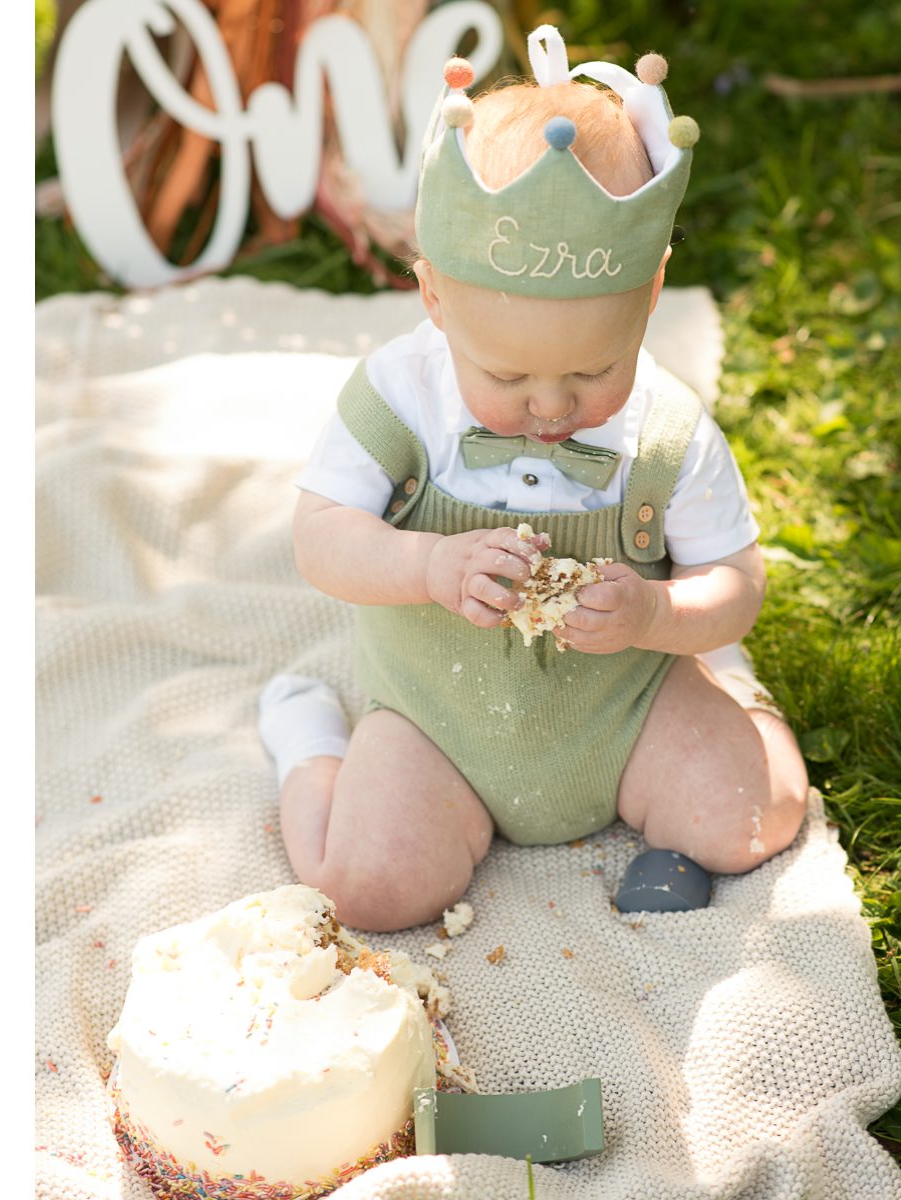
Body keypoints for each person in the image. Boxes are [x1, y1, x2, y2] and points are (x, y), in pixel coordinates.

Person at [256, 26, 808, 933]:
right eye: (507, 379)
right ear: (434, 299)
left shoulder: (666, 432)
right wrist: (430, 568)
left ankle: (727, 691)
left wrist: (661, 618)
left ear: (652, 290)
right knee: (363, 888)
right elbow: (322, 539)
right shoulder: (400, 396)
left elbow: (737, 579)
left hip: (622, 705)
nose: (550, 407)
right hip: (439, 716)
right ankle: (312, 746)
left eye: (594, 372)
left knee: (759, 816)